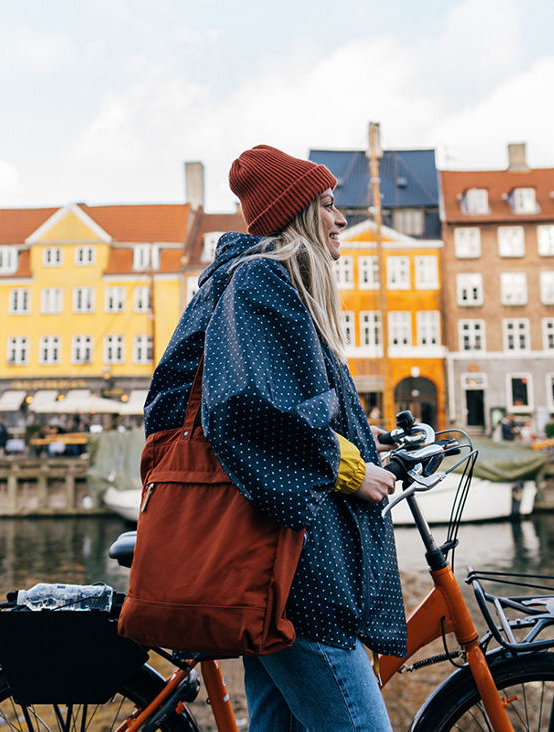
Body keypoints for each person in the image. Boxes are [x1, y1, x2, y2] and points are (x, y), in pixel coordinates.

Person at [141, 145, 404, 731]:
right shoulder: (264, 278)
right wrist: (350, 470)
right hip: (294, 570)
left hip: (277, 570)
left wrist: (364, 440)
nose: (340, 220)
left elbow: (281, 400)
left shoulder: (260, 281)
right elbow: (248, 407)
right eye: (330, 206)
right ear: (299, 214)